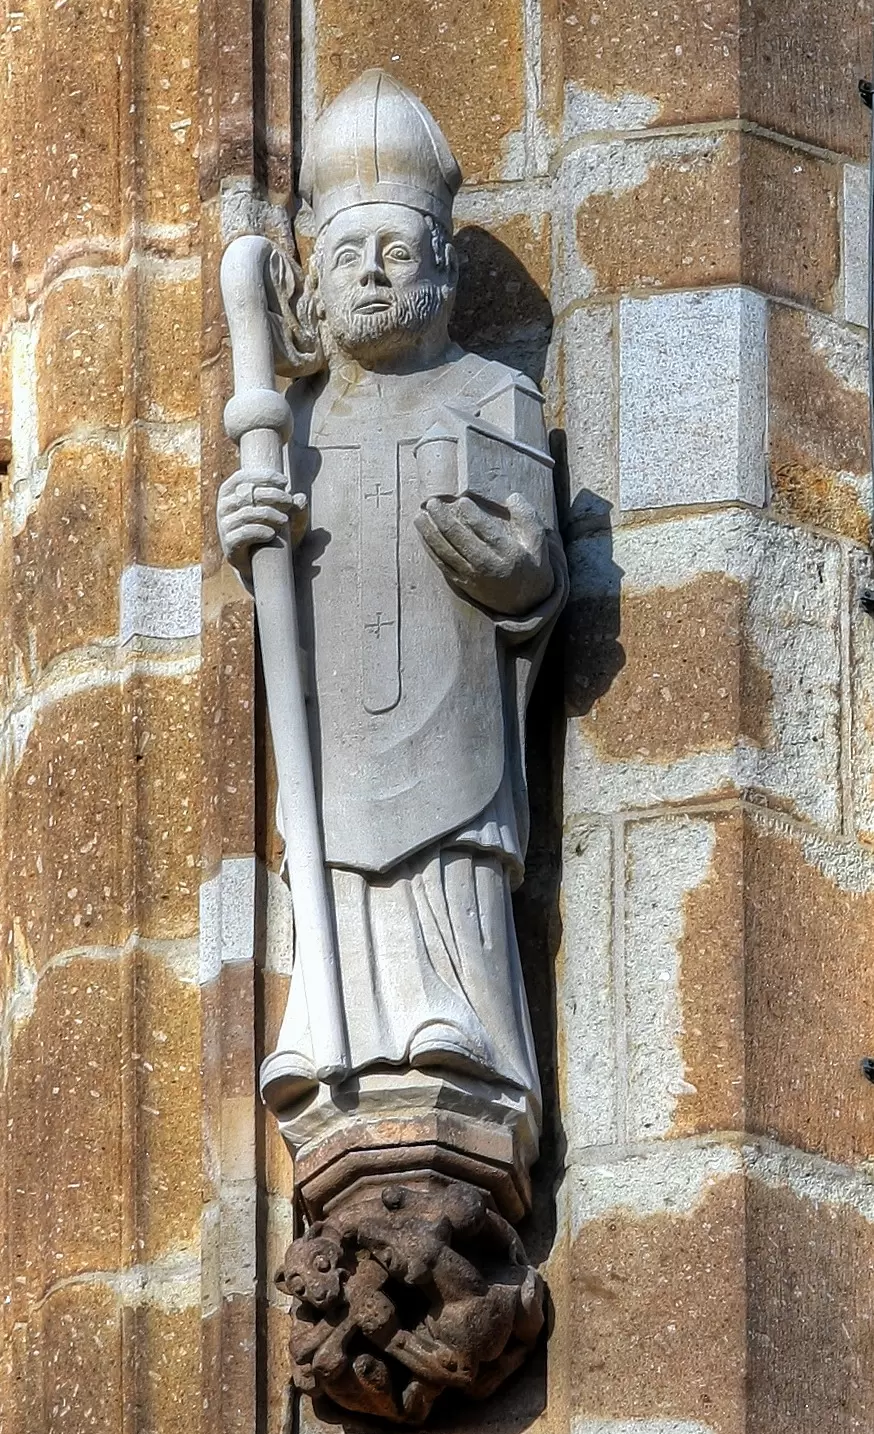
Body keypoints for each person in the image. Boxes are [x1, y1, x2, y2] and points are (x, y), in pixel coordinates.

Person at [216, 71, 567, 1150]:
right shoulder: (296, 418)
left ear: (444, 272)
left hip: (451, 689)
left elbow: (534, 562)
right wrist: (248, 520)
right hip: (339, 713)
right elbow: (274, 564)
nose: (372, 276)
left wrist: (515, 573)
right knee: (330, 835)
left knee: (446, 843)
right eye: (349, 257)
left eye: (397, 254)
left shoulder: (490, 395)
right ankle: (327, 1025)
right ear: (313, 286)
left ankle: (457, 1023)